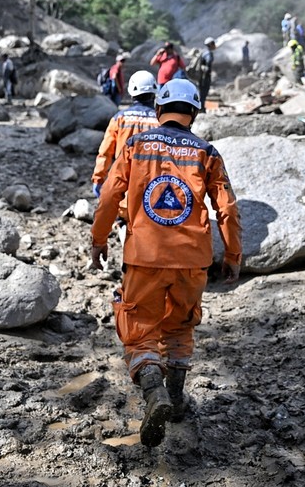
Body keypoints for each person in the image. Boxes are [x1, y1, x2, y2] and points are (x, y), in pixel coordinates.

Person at [89, 78, 242, 448]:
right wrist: (234, 255)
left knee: (140, 329)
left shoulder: (136, 145)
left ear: (159, 110)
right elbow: (227, 209)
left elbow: (110, 195)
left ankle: (155, 393)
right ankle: (174, 398)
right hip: (192, 260)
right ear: (194, 112)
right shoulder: (207, 152)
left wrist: (98, 238)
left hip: (144, 256)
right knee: (179, 327)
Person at [91, 71, 160, 200]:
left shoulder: (119, 119)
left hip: (123, 193)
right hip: (152, 193)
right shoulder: (161, 121)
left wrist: (98, 178)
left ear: (132, 93)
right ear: (154, 93)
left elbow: (105, 152)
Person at [188, 37, 216, 112]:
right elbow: (208, 62)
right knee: (204, 92)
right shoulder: (208, 53)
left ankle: (200, 107)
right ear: (211, 44)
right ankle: (201, 108)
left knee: (201, 92)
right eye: (213, 43)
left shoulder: (203, 52)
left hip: (201, 76)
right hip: (205, 77)